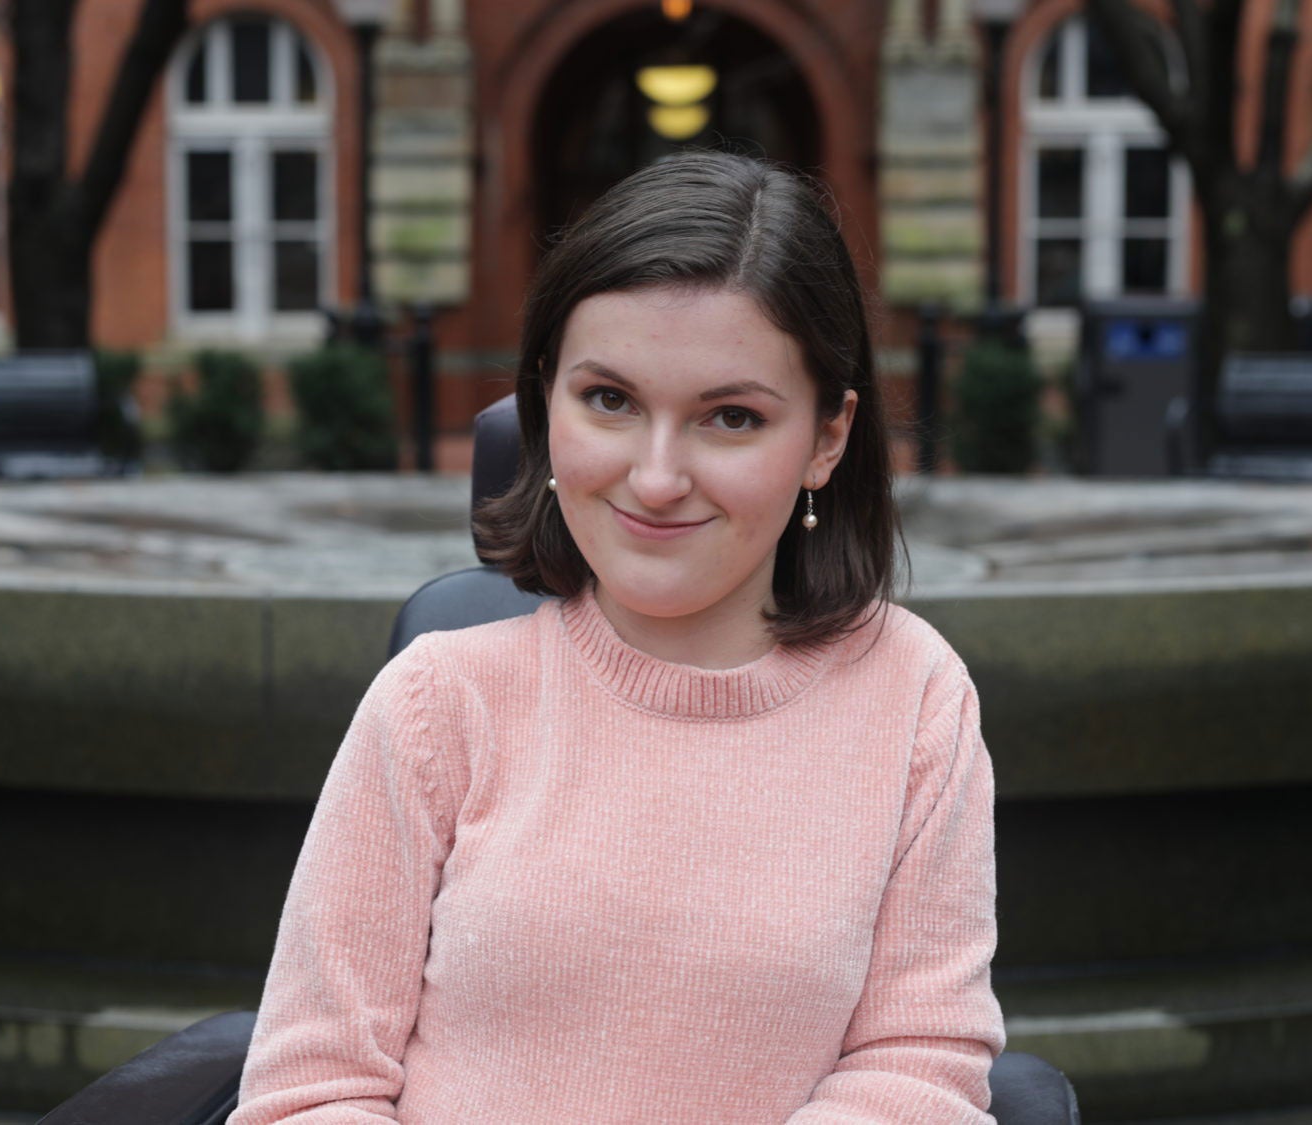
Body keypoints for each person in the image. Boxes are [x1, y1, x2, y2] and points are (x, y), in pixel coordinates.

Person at [233, 151, 1003, 1122]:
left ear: (825, 438)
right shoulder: (436, 701)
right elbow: (311, 1087)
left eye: (729, 417)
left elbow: (919, 1064)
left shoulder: (912, 698)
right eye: (609, 401)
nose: (653, 477)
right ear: (543, 403)